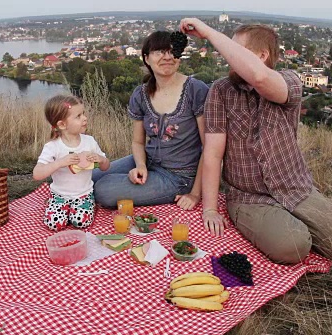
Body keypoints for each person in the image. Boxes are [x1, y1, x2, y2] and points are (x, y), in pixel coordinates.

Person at [179, 18, 332, 264]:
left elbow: (259, 78)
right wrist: (210, 208)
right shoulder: (221, 91)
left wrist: (210, 33)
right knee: (293, 245)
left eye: (236, 51)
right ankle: (287, 228)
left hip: (296, 188)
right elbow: (213, 154)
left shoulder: (289, 82)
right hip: (248, 197)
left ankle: (299, 224)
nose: (228, 58)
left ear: (262, 55)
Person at [92, 31, 209, 210]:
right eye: (159, 52)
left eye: (172, 52)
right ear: (146, 58)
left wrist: (195, 193)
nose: (167, 57)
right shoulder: (141, 94)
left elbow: (208, 147)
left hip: (178, 177)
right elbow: (138, 142)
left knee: (104, 190)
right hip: (147, 161)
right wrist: (140, 166)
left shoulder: (196, 90)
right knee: (89, 177)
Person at [33, 94, 110, 231]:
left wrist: (101, 159)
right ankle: (55, 204)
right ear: (62, 124)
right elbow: (37, 174)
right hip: (59, 195)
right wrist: (59, 163)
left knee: (81, 222)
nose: (85, 118)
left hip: (83, 194)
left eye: (83, 114)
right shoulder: (53, 147)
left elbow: (105, 167)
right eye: (78, 116)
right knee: (54, 224)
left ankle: (85, 205)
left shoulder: (89, 141)